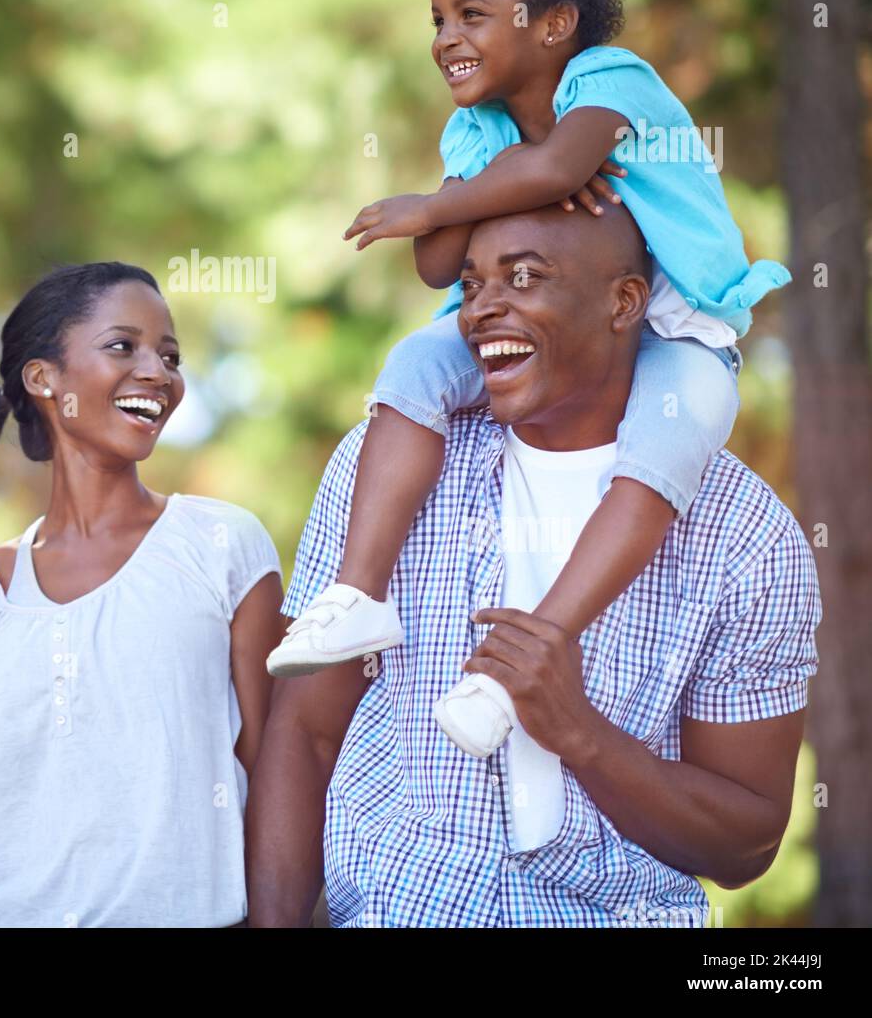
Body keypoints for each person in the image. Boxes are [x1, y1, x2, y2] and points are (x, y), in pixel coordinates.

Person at [266, 0, 790, 766]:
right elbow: (442, 267)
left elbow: (555, 173)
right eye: (436, 20)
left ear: (550, 24)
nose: (445, 39)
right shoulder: (476, 131)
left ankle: (523, 661)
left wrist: (449, 200)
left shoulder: (613, 78)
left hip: (672, 318)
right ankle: (357, 593)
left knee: (664, 452)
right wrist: (468, 196)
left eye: (471, 14)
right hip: (542, 317)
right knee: (411, 371)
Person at [247, 202, 820, 927]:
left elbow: (748, 844)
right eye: (474, 283)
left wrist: (580, 734)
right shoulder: (386, 470)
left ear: (624, 302)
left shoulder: (746, 536)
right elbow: (304, 732)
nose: (484, 308)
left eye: (524, 278)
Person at [0, 262, 285, 927]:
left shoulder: (222, 545)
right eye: (123, 346)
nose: (157, 371)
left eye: (170, 355)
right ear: (44, 379)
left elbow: (273, 773)